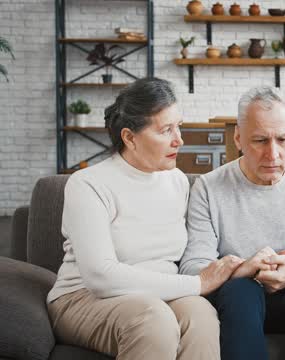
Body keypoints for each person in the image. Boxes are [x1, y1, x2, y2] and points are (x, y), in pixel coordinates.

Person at [47, 78, 243, 360]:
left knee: (201, 315)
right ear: (130, 138)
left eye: (179, 127)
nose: (180, 139)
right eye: (166, 130)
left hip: (159, 296)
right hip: (83, 297)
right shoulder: (88, 184)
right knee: (153, 320)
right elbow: (101, 276)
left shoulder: (177, 182)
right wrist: (197, 284)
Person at [180, 86, 285, 360]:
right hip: (236, 304)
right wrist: (243, 269)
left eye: (283, 140)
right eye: (260, 140)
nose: (273, 155)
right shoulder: (208, 187)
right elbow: (192, 269)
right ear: (238, 137)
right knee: (241, 289)